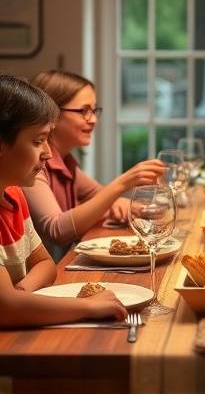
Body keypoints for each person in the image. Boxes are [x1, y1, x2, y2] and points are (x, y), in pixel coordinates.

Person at [0, 74, 127, 327]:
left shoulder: (13, 194)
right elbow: (6, 309)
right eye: (38, 141)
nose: (47, 153)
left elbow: (47, 265)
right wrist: (89, 306)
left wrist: (21, 292)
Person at [23, 70, 165, 261]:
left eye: (94, 110)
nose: (93, 119)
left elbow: (101, 199)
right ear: (52, 114)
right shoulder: (31, 166)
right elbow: (56, 230)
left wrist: (152, 208)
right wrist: (122, 183)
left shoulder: (66, 162)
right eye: (84, 111)